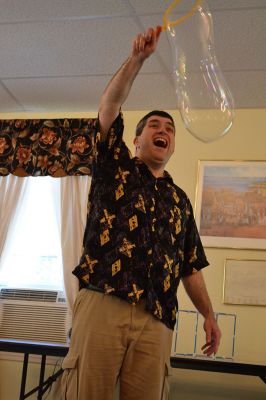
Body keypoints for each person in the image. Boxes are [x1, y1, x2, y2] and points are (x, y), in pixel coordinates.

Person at [61, 26, 221, 400]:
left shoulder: (181, 200)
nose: (162, 131)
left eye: (169, 129)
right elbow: (109, 106)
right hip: (104, 301)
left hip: (158, 317)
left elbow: (190, 266)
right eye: (153, 125)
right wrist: (136, 60)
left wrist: (209, 315)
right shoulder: (113, 165)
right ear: (135, 140)